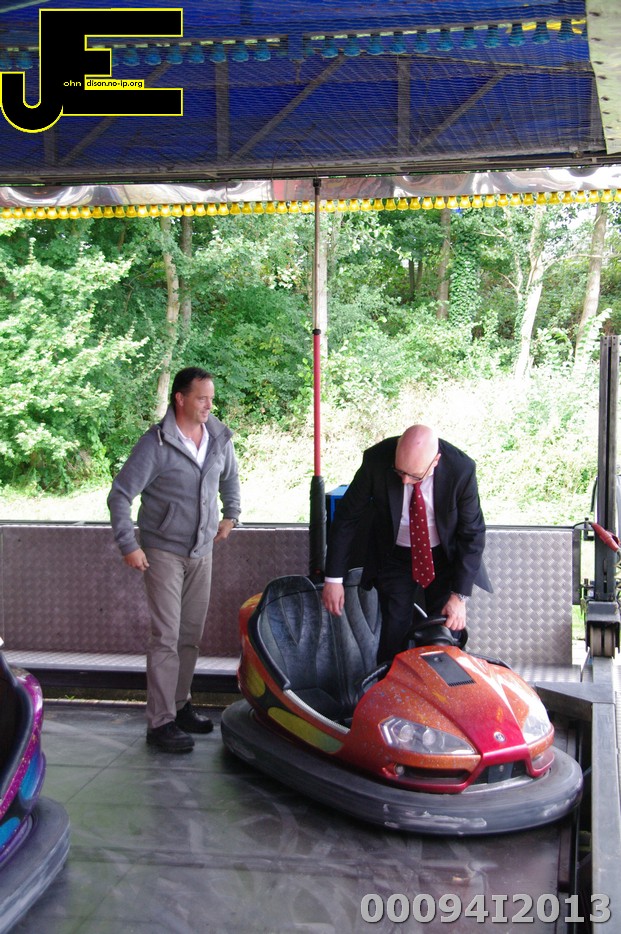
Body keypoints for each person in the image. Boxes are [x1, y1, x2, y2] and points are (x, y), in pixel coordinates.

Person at [108, 367, 241, 753]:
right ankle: (160, 722)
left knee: (189, 637)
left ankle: (180, 706)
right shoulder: (155, 443)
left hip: (202, 551)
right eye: (202, 398)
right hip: (163, 551)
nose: (209, 405)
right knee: (166, 637)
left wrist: (231, 514)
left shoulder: (218, 437)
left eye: (211, 398)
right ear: (180, 399)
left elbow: (230, 478)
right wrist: (128, 545)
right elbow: (120, 495)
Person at [322, 424, 491, 664]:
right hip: (394, 555)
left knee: (443, 635)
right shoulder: (377, 459)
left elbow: (472, 533)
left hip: (444, 557)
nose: (404, 481)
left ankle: (438, 685)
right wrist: (333, 579)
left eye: (414, 476)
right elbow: (347, 518)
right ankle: (390, 682)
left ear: (435, 461)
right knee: (394, 632)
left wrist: (459, 597)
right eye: (399, 471)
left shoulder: (461, 469)